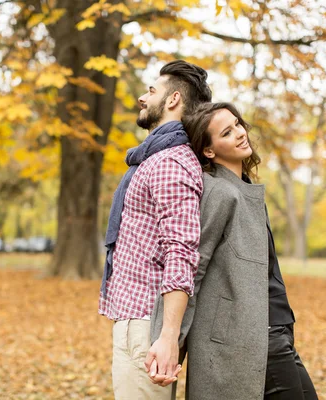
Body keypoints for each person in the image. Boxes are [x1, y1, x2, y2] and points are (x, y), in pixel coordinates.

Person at [150, 102, 318, 399]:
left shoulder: (245, 188)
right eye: (227, 132)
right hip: (252, 337)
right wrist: (169, 340)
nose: (240, 133)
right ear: (209, 150)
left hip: (276, 330)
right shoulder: (219, 192)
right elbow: (191, 267)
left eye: (238, 124)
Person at [98, 60, 212, 399]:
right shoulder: (153, 159)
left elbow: (181, 252)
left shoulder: (169, 162)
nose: (141, 98)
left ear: (174, 99)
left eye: (151, 91)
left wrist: (167, 336)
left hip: (147, 324)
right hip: (136, 320)